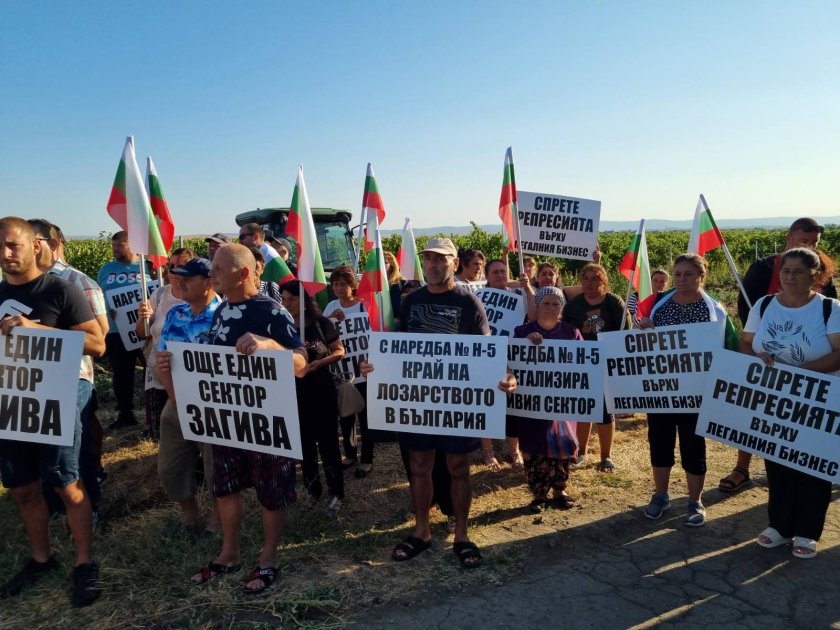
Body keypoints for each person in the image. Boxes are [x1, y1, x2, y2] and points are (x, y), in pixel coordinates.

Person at [362, 237, 517, 568]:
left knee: (458, 467)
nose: (433, 265)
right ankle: (422, 531)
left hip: (456, 403)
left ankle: (461, 534)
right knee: (418, 465)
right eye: (428, 259)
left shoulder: (469, 302)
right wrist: (374, 366)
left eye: (440, 259)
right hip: (419, 402)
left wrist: (507, 375)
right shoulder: (411, 301)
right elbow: (398, 350)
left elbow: (487, 350)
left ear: (454, 263)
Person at [0, 217, 106, 607]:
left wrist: (38, 330)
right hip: (10, 402)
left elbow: (97, 344)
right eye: (0, 247)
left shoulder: (61, 291)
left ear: (35, 247)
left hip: (58, 396)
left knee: (66, 481)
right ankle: (40, 558)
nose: (6, 254)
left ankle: (84, 562)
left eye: (13, 245)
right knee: (23, 487)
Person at [190, 244, 307, 594]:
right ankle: (229, 554)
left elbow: (300, 363)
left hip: (266, 419)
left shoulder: (271, 311)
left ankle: (267, 559)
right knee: (225, 487)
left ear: (242, 273)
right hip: (228, 418)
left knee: (271, 490)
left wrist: (270, 346)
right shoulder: (221, 310)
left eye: (218, 270)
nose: (211, 276)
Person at [721, 218, 837, 493]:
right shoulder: (762, 268)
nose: (809, 246)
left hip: (811, 381)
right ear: (789, 237)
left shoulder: (824, 284)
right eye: (804, 240)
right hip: (768, 368)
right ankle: (742, 467)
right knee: (756, 418)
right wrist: (761, 348)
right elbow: (746, 307)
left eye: (813, 243)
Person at [741, 248, 840, 558]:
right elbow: (745, 343)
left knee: (812, 466)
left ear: (815, 275)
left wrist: (799, 374)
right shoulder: (764, 304)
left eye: (799, 271)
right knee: (778, 461)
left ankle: (809, 532)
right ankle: (780, 527)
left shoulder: (829, 309)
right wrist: (758, 360)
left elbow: (838, 352)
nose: (790, 276)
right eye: (786, 270)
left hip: (817, 400)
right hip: (772, 398)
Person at [637, 253, 738, 526]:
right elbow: (647, 343)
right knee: (659, 443)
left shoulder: (714, 311)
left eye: (688, 274)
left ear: (701, 276)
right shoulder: (660, 306)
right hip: (662, 391)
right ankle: (661, 495)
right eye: (678, 274)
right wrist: (643, 328)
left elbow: (730, 347)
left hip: (697, 393)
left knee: (693, 446)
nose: (681, 280)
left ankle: (695, 500)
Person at [28, 219, 109, 530]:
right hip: (33, 380)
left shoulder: (79, 282)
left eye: (33, 242)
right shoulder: (24, 285)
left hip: (71, 378)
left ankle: (89, 508)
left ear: (51, 243)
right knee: (44, 450)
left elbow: (99, 336)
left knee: (76, 448)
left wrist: (43, 333)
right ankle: (54, 506)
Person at [154, 258, 222, 539]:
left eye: (187, 278)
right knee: (170, 466)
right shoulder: (176, 313)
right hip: (177, 400)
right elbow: (163, 356)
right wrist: (173, 393)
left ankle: (217, 521)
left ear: (208, 282)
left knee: (215, 466)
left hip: (214, 405)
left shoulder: (225, 316)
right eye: (176, 276)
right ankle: (190, 515)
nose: (178, 282)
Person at [513, 287, 581, 512]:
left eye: (556, 304)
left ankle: (560, 490)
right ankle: (539, 495)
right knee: (534, 446)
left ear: (562, 308)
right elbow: (512, 362)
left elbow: (584, 364)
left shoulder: (572, 333)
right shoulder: (523, 331)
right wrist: (526, 343)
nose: (551, 308)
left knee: (562, 445)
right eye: (546, 303)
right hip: (532, 403)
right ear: (537, 305)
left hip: (562, 403)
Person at [281, 280, 346, 512]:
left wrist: (319, 363)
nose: (287, 304)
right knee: (304, 445)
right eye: (284, 300)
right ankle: (312, 490)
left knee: (328, 444)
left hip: (322, 390)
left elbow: (339, 350)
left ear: (304, 301)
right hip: (294, 394)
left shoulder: (320, 323)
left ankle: (336, 492)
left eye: (292, 299)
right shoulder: (282, 326)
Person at [562, 263, 629, 472]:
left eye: (596, 279)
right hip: (581, 364)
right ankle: (581, 452)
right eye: (586, 278)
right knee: (583, 409)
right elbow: (565, 333)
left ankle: (606, 456)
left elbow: (625, 333)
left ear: (604, 282)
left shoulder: (614, 303)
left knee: (604, 411)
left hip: (606, 363)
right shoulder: (573, 305)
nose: (590, 283)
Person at [97, 230, 152, 429]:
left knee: (152, 372)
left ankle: (152, 415)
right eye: (113, 245)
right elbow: (99, 296)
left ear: (133, 245)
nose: (115, 249)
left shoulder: (148, 267)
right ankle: (125, 414)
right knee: (121, 374)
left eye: (120, 245)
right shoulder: (106, 269)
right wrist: (105, 309)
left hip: (145, 330)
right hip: (116, 331)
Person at [136, 248, 193, 438]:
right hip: (157, 375)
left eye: (182, 266)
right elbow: (143, 333)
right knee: (161, 433)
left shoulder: (201, 298)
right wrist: (142, 318)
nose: (175, 271)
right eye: (171, 266)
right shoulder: (159, 294)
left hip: (185, 378)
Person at [324, 267, 374, 476]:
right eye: (335, 284)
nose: (339, 288)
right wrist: (331, 320)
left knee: (365, 417)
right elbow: (323, 335)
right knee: (345, 415)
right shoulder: (330, 306)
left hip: (362, 369)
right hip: (342, 371)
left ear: (352, 286)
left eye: (343, 284)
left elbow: (372, 334)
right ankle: (350, 454)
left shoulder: (363, 307)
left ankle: (367, 459)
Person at [480, 259, 526, 471]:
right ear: (487, 276)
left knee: (513, 406)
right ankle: (487, 450)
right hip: (486, 357)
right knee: (487, 403)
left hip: (512, 356)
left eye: (503, 271)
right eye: (495, 272)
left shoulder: (519, 297)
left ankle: (513, 449)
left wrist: (526, 287)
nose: (500, 275)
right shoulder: (478, 297)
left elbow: (532, 316)